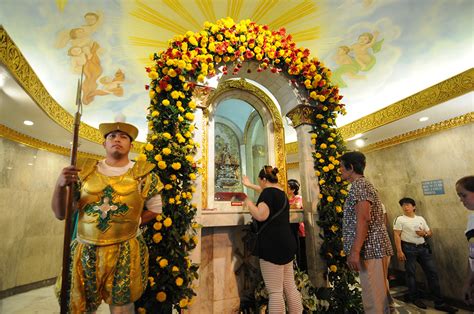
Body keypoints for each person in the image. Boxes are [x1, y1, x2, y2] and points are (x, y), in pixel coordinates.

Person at [51, 122, 163, 313]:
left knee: (122, 307)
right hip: (85, 248)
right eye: (111, 136)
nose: (117, 139)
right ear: (104, 144)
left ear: (131, 146)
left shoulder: (144, 175)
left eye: (123, 137)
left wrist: (135, 222)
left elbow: (155, 209)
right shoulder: (84, 171)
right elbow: (61, 214)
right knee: (79, 306)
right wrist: (60, 185)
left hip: (125, 249)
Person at [243, 166, 303, 313]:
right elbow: (265, 191)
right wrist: (250, 185)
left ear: (264, 179)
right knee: (290, 287)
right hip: (287, 243)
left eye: (260, 181)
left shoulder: (267, 194)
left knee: (275, 292)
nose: (260, 185)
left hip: (272, 245)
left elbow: (260, 215)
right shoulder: (281, 193)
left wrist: (248, 202)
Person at [339, 151, 393, 314]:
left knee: (373, 299)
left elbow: (363, 219)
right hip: (371, 248)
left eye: (341, 167)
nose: (340, 170)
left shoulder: (360, 185)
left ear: (351, 167)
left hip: (371, 249)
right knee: (379, 295)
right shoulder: (360, 185)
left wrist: (355, 251)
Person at [393, 197, 457, 312]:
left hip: (422, 247)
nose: (405, 207)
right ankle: (414, 298)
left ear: (414, 207)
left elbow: (430, 232)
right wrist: (399, 251)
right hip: (408, 248)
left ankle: (439, 302)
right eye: (403, 205)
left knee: (432, 273)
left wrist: (425, 233)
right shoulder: (400, 219)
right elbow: (397, 235)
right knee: (411, 274)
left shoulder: (420, 218)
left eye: (408, 205)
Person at [456, 176, 474, 306]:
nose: (461, 200)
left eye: (463, 195)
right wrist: (468, 282)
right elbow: (472, 255)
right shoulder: (472, 219)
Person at [288, 179, 307, 271]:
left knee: (301, 251)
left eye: (288, 187)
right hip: (290, 227)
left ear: (293, 189)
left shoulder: (298, 197)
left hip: (298, 227)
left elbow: (297, 206)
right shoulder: (287, 198)